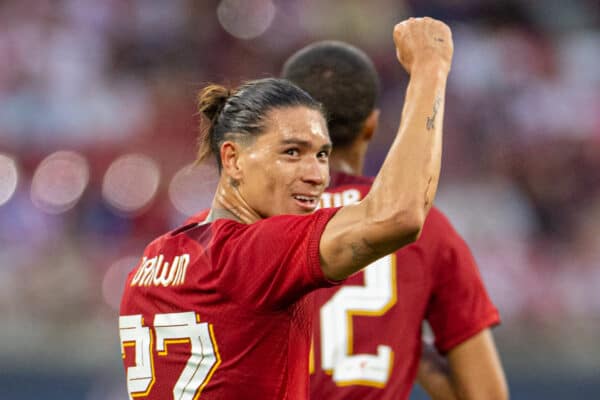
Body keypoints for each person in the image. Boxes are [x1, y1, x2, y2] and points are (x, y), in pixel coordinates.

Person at [119, 17, 452, 400]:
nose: (316, 175)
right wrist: (430, 67)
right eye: (291, 152)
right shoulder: (254, 253)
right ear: (233, 159)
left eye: (322, 154)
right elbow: (398, 215)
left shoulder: (153, 261)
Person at [280, 41, 509, 399]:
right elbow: (486, 396)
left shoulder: (254, 221)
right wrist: (408, 341)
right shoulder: (426, 226)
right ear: (371, 125)